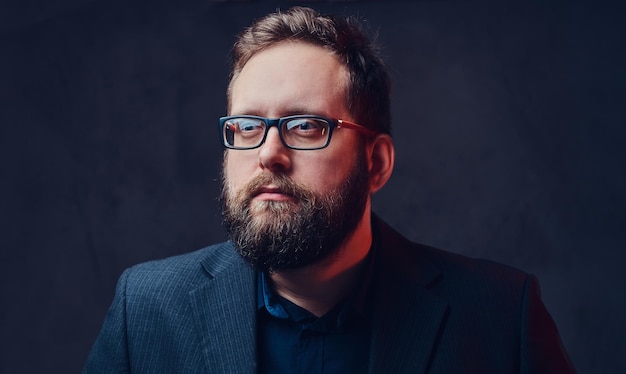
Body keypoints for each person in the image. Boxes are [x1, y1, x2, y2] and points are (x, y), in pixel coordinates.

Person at [84, 6, 575, 373]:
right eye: (248, 126)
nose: (268, 153)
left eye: (304, 126)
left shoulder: (499, 317)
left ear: (376, 162)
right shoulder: (145, 310)